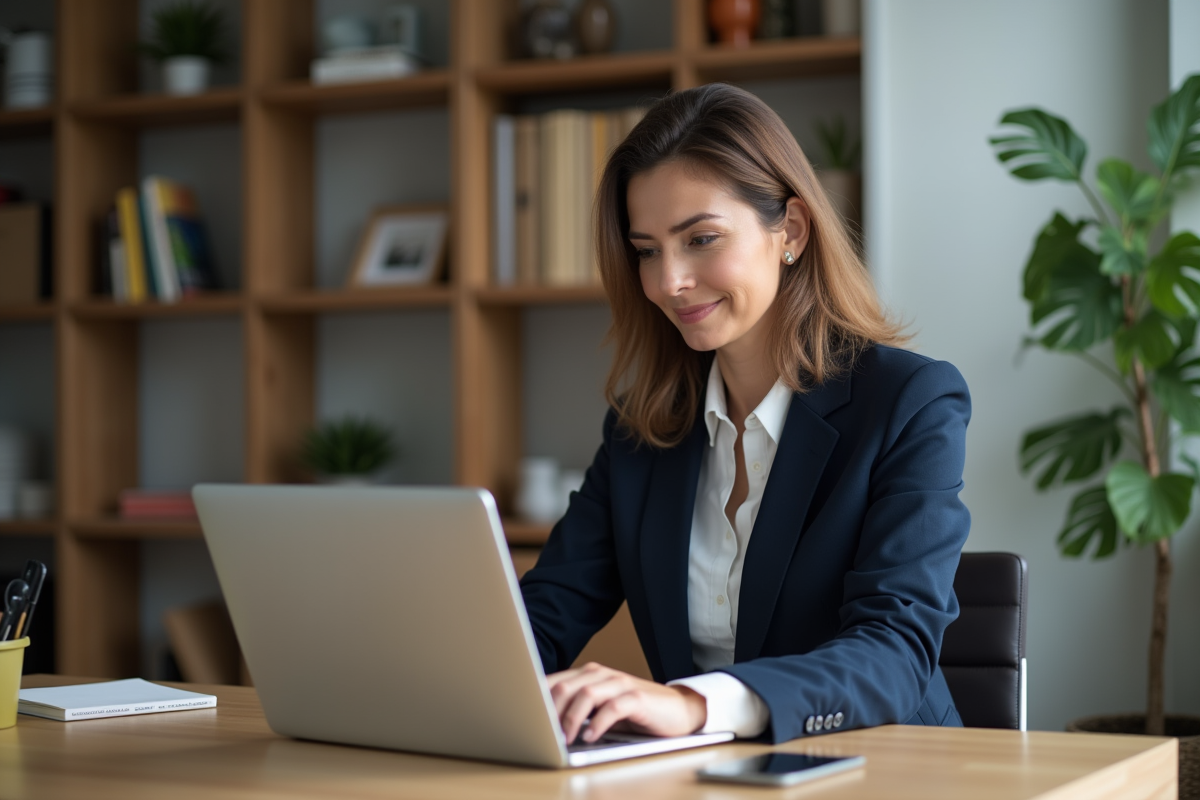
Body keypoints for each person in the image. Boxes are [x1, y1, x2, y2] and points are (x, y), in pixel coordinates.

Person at [519, 83, 970, 746]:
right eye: (647, 250)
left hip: (888, 771)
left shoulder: (910, 403)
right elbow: (545, 614)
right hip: (711, 782)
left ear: (789, 230)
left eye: (700, 238)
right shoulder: (642, 429)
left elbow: (894, 652)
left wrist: (696, 707)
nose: (668, 281)